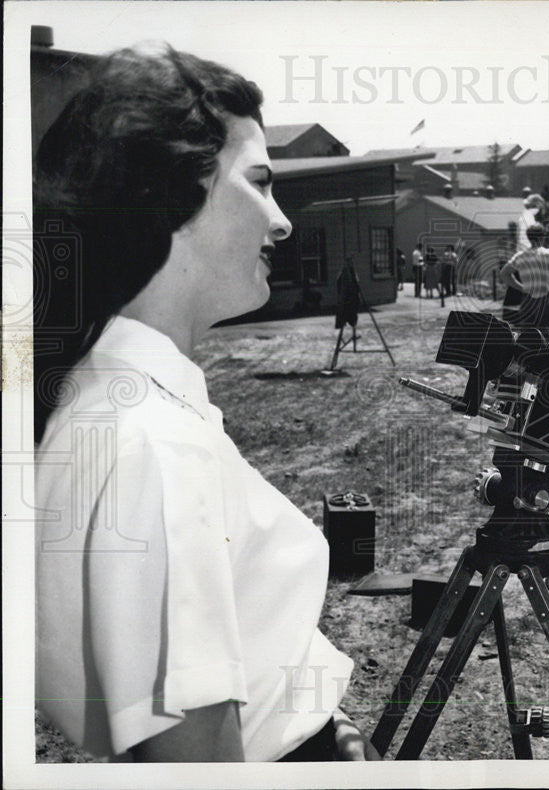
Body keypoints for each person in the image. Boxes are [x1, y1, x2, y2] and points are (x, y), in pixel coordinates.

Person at [33, 44, 378, 763]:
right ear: (174, 196)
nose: (280, 222)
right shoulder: (154, 441)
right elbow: (195, 761)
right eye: (260, 183)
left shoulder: (104, 397)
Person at [498, 223, 549, 346]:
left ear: (529, 237)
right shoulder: (548, 254)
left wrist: (522, 288)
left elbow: (504, 274)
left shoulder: (520, 256)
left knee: (530, 337)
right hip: (544, 302)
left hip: (527, 302)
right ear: (543, 237)